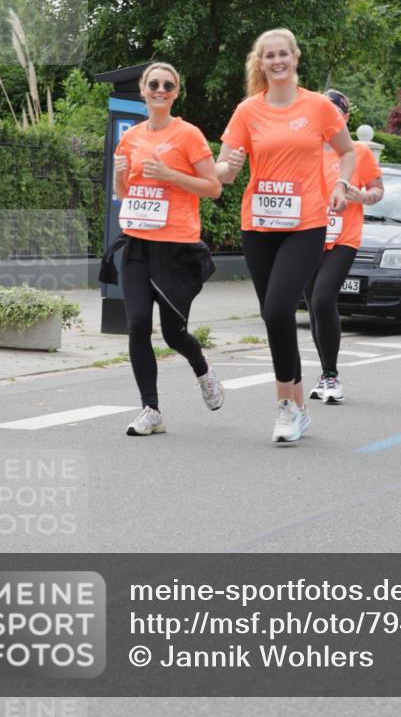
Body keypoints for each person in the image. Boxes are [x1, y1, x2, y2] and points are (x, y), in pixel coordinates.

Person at [216, 29, 356, 443]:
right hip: (258, 225)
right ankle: (299, 407)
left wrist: (340, 187)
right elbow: (223, 169)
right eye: (268, 56)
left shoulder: (317, 107)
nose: (276, 61)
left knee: (279, 310)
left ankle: (283, 407)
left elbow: (347, 152)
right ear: (260, 64)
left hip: (305, 224)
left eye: (283, 54)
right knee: (272, 317)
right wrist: (228, 167)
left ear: (295, 58)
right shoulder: (247, 111)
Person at [111, 62, 224, 436]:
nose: (160, 89)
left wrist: (171, 176)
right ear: (143, 90)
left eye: (168, 85)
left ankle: (203, 371)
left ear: (176, 92)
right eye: (154, 84)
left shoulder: (189, 134)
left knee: (174, 332)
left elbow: (213, 187)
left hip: (176, 245)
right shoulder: (130, 138)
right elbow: (125, 194)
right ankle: (151, 409)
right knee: (138, 324)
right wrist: (118, 173)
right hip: (137, 242)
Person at [306, 89, 383, 404]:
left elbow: (378, 190)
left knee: (324, 300)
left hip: (343, 238)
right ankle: (325, 374)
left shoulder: (358, 152)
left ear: (346, 117)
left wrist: (362, 197)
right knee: (313, 305)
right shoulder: (307, 150)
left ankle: (332, 376)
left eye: (335, 112)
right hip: (308, 236)